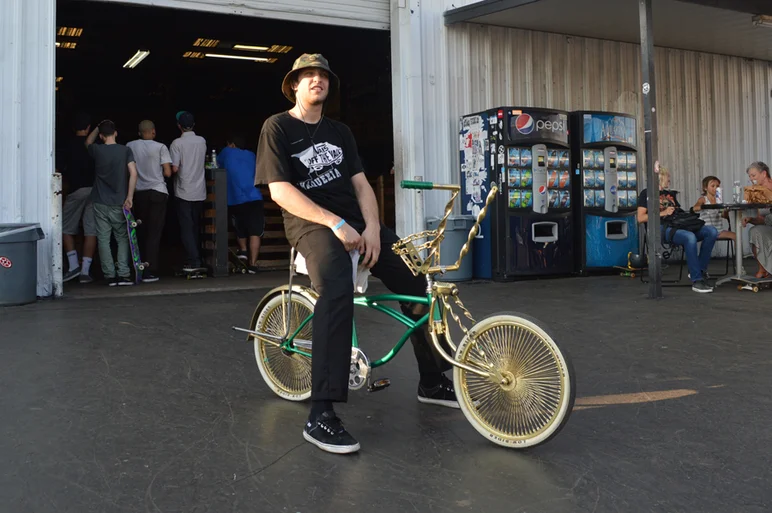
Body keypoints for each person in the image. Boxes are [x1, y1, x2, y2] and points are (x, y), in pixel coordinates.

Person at [255, 54, 456, 455]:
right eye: (307, 75)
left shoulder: (340, 131)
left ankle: (431, 380)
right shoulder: (277, 127)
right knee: (337, 288)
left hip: (356, 223)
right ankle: (321, 413)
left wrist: (373, 230)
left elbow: (362, 186)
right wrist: (333, 222)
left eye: (322, 75)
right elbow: (280, 191)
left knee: (415, 279)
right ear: (294, 85)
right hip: (311, 224)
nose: (316, 80)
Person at [637, 165, 718, 293]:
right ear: (660, 178)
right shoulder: (647, 193)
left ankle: (699, 271)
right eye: (667, 177)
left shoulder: (670, 194)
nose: (669, 180)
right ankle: (697, 281)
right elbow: (640, 218)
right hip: (661, 229)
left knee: (711, 231)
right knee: (689, 237)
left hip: (677, 225)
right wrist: (663, 213)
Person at [85, 120, 138, 286]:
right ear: (116, 133)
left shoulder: (97, 149)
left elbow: (87, 142)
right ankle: (123, 273)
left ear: (101, 136)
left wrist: (96, 127)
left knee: (103, 238)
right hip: (119, 200)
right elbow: (134, 173)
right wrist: (129, 196)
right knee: (122, 237)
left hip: (99, 200)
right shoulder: (125, 150)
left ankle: (109, 275)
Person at [126, 120, 172, 282]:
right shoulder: (160, 147)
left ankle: (136, 266)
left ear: (139, 133)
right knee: (154, 232)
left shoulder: (130, 145)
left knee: (140, 231)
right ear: (153, 132)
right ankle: (149, 270)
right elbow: (167, 172)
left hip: (139, 193)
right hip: (158, 192)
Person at [60, 112, 97, 284]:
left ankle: (73, 265)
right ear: (88, 128)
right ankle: (85, 271)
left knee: (66, 228)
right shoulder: (93, 146)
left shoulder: (67, 145)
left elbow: (60, 170)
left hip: (76, 190)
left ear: (73, 128)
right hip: (94, 190)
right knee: (91, 230)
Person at [218, 135, 263, 273]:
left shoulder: (226, 152)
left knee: (240, 227)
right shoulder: (251, 155)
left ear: (231, 144)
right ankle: (253, 265)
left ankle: (243, 250)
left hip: (235, 198)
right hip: (254, 197)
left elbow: (215, 165)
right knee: (255, 232)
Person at [170, 111, 207, 271]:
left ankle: (194, 261)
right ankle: (196, 257)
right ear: (193, 125)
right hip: (199, 190)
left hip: (184, 190)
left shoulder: (177, 144)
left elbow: (175, 168)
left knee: (186, 227)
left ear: (179, 126)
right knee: (195, 226)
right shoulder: (202, 141)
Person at [742, 162, 772, 278]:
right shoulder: (756, 193)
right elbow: (763, 220)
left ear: (764, 174)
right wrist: (749, 219)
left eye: (753, 175)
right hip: (769, 225)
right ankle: (763, 270)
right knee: (755, 231)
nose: (751, 179)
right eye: (749, 176)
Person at [692, 175, 735, 241]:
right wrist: (705, 206)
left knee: (735, 236)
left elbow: (723, 215)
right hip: (707, 230)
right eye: (713, 186)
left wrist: (726, 211)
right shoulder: (703, 199)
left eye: (717, 186)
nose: (715, 188)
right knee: (710, 232)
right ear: (705, 188)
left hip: (719, 231)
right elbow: (695, 208)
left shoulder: (719, 201)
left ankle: (738, 251)